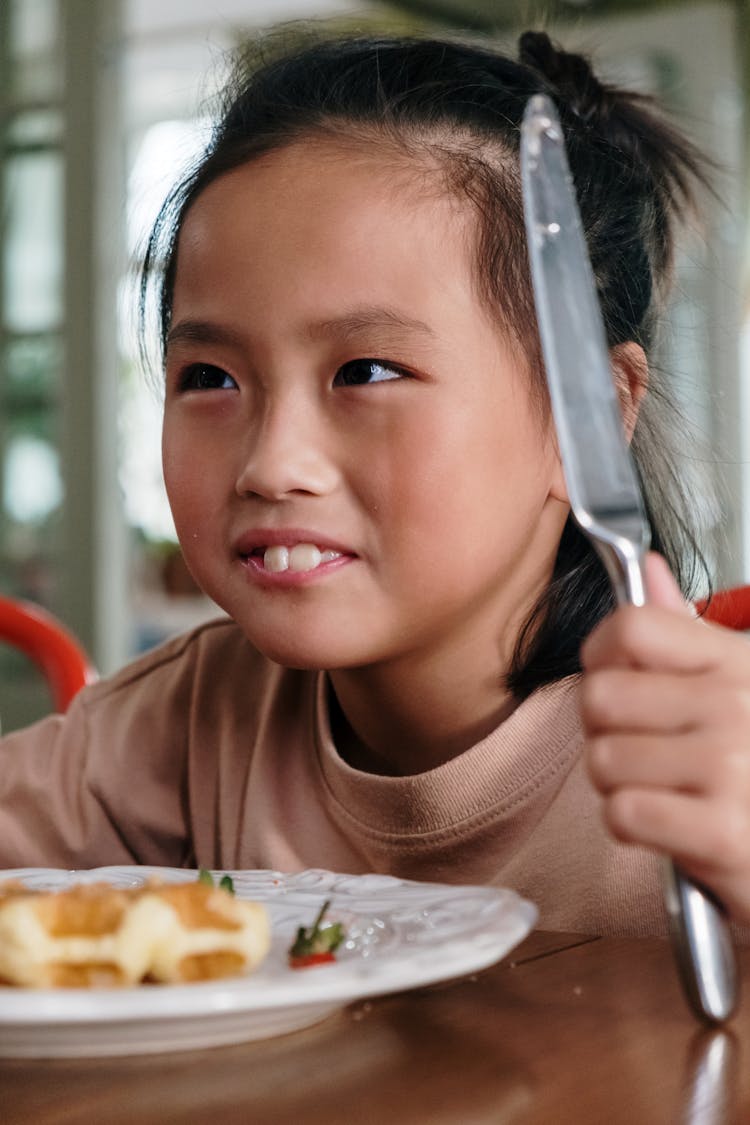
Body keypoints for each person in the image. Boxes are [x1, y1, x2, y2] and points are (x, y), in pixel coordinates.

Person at [2, 28, 749, 939]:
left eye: (366, 372)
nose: (274, 461)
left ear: (587, 416)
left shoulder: (716, 744)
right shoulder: (188, 723)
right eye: (209, 378)